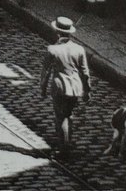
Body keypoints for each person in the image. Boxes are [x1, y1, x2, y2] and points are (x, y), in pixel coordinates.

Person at [40, 16, 91, 155]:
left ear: (57, 32)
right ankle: (68, 141)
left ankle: (63, 148)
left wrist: (43, 88)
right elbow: (85, 72)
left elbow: (46, 72)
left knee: (60, 117)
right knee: (69, 115)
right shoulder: (79, 49)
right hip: (75, 87)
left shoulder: (52, 50)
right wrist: (87, 90)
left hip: (60, 87)